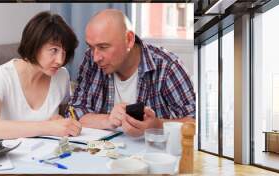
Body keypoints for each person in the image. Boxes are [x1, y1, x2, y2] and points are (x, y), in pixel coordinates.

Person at [68, 9, 195, 137]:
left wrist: (157, 125)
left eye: (103, 47)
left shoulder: (168, 67)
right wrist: (108, 120)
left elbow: (195, 123)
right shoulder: (90, 60)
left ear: (129, 39)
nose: (95, 57)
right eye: (91, 47)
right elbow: (75, 112)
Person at [0, 11, 82, 139]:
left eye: (64, 52)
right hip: (9, 156)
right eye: (54, 50)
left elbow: (64, 116)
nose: (60, 60)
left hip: (48, 153)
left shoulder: (62, 75)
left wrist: (63, 120)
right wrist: (47, 127)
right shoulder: (2, 75)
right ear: (34, 45)